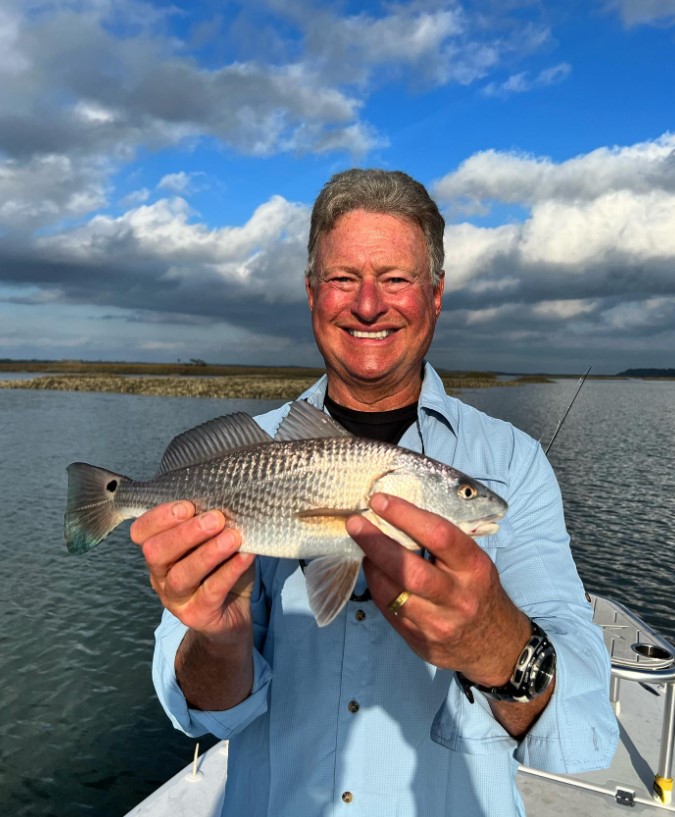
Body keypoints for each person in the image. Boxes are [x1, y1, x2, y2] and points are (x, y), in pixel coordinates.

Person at [131, 169, 618, 816]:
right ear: (311, 293)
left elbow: (581, 716)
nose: (367, 304)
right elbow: (195, 711)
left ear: (435, 295)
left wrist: (496, 643)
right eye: (341, 279)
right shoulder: (249, 453)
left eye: (395, 278)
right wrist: (218, 638)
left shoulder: (513, 462)